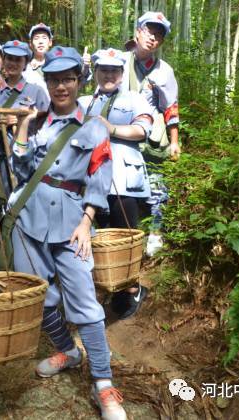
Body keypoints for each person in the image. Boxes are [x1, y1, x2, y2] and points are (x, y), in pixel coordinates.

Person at [11, 46, 126, 420]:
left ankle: (104, 384)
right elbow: (21, 165)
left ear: (79, 82)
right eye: (54, 79)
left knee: (84, 303)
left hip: (71, 219)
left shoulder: (93, 127)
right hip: (29, 218)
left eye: (68, 79)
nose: (61, 86)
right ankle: (68, 351)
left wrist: (87, 221)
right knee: (38, 295)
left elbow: (100, 177)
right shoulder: (39, 120)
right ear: (46, 82)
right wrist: (24, 126)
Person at [79, 48, 154, 319]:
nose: (108, 74)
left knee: (126, 233)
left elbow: (142, 129)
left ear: (122, 74)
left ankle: (132, 288)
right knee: (101, 235)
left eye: (114, 70)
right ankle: (112, 284)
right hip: (93, 178)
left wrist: (112, 129)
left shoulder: (135, 98)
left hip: (123, 177)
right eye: (103, 70)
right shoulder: (86, 101)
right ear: (96, 72)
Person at [120, 12, 180, 258]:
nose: (152, 38)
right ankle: (124, 238)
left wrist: (175, 141)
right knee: (121, 187)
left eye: (158, 35)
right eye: (149, 32)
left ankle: (155, 233)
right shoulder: (120, 61)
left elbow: (171, 108)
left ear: (161, 42)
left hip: (151, 138)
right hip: (121, 134)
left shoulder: (164, 71)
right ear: (137, 32)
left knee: (156, 187)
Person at [0, 40, 50, 194]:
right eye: (9, 58)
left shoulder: (36, 91)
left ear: (25, 63)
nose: (12, 63)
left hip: (26, 157)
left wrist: (22, 120)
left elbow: (48, 122)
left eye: (18, 60)